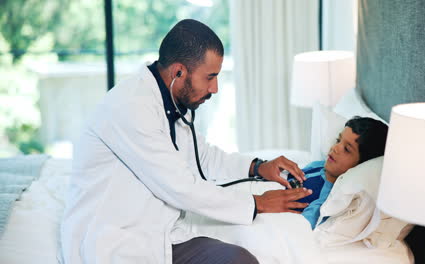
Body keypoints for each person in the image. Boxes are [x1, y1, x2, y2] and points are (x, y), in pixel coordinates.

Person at [60, 19, 312, 264]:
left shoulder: (169, 101)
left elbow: (203, 157)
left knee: (238, 258)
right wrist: (258, 203)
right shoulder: (131, 106)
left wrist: (257, 167)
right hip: (115, 240)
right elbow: (180, 186)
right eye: (210, 77)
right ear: (178, 71)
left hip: (158, 233)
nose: (215, 88)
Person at [287, 116, 388, 229]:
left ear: (361, 166)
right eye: (338, 140)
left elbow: (299, 227)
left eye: (347, 149)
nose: (335, 148)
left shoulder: (327, 200)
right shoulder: (317, 165)